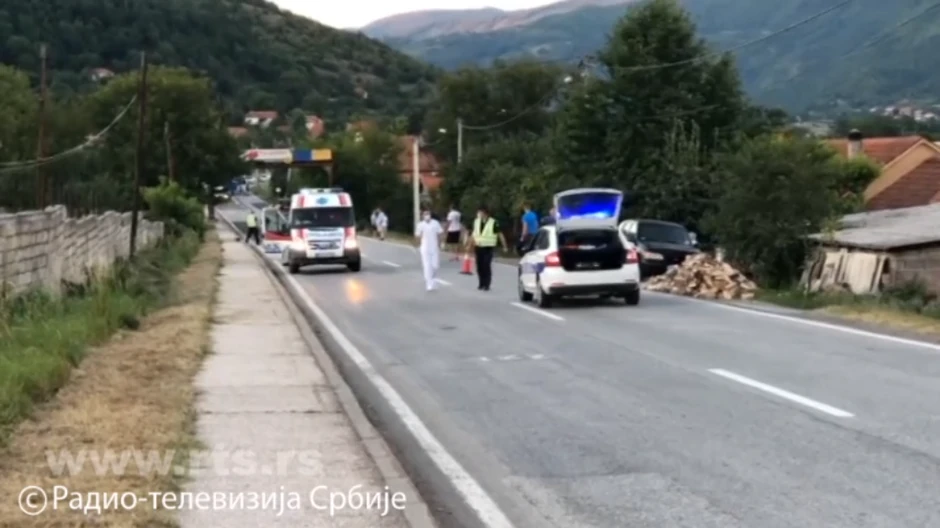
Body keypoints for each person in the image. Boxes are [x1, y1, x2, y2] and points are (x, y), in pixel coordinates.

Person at [467, 206, 508, 291]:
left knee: (486, 265)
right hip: (478, 246)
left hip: (488, 247)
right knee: (479, 266)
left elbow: (499, 234)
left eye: (480, 212)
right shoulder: (476, 221)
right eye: (478, 213)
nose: (478, 214)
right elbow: (474, 234)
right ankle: (481, 283)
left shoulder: (493, 222)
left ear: (485, 213)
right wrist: (469, 245)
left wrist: (504, 246)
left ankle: (487, 284)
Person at [415, 208, 444, 291]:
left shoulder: (435, 223)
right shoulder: (420, 225)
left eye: (428, 214)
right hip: (425, 248)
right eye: (425, 214)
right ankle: (429, 283)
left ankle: (433, 279)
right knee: (427, 266)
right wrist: (418, 245)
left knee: (435, 266)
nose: (426, 215)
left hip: (434, 247)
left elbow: (440, 234)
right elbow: (417, 236)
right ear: (422, 216)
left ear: (430, 215)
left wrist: (441, 243)